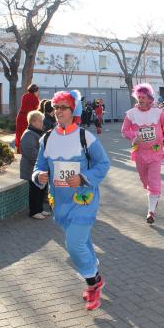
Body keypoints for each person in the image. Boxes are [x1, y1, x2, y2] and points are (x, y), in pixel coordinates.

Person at [32, 90, 110, 310]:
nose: (58, 112)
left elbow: (103, 164)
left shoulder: (86, 137)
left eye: (63, 108)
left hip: (84, 199)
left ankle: (94, 282)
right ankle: (92, 269)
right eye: (56, 108)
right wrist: (39, 176)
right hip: (61, 201)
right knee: (82, 241)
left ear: (72, 110)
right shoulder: (46, 138)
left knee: (74, 243)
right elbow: (39, 167)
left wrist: (84, 178)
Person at [121, 83, 164, 224]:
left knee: (153, 180)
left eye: (143, 97)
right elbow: (124, 130)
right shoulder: (131, 114)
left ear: (150, 99)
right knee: (145, 181)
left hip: (155, 152)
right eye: (139, 97)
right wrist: (133, 136)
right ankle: (153, 197)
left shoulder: (158, 112)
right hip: (139, 153)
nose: (141, 99)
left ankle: (151, 212)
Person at [20, 110, 50, 219]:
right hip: (32, 169)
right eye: (40, 121)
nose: (42, 123)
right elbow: (31, 153)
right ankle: (34, 211)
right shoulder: (29, 134)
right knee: (35, 190)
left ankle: (40, 209)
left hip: (39, 168)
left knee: (41, 189)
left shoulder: (36, 133)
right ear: (33, 122)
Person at [15, 84, 40, 154]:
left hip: (20, 116)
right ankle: (25, 151)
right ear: (35, 91)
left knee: (19, 134)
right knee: (27, 135)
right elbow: (37, 110)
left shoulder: (24, 96)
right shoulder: (35, 98)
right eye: (37, 91)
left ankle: (18, 150)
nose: (38, 93)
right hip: (28, 118)